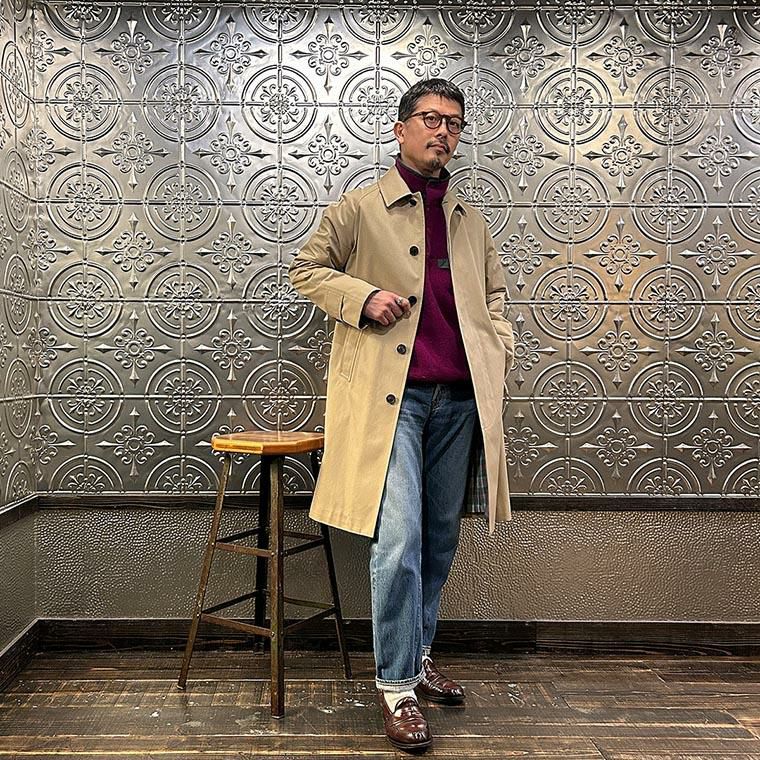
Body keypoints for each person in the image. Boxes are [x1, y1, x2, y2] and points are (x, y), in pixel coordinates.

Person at [288, 78, 514, 753]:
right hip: (393, 404)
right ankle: (395, 688)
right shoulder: (360, 208)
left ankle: (417, 656)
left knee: (439, 540)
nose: (443, 131)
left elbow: (495, 299)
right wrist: (362, 297)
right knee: (399, 541)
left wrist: (497, 350)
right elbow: (306, 269)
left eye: (454, 123)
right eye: (430, 118)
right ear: (400, 127)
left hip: (460, 401)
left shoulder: (469, 220)